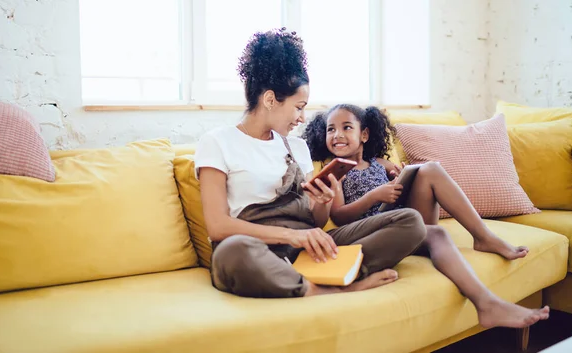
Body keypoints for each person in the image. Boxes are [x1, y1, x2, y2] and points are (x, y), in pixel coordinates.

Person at [195, 28, 427, 299]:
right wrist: (289, 236)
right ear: (270, 99)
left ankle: (322, 278)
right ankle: (331, 285)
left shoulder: (296, 146)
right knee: (232, 252)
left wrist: (324, 200)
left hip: (306, 248)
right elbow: (218, 226)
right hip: (258, 248)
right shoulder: (217, 142)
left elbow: (315, 222)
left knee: (410, 222)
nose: (302, 118)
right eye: (298, 106)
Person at [302, 104, 550, 328]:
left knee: (429, 169)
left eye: (346, 127)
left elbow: (398, 184)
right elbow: (340, 216)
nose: (337, 135)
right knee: (437, 233)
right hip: (375, 231)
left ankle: (483, 236)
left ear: (364, 134)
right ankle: (486, 303)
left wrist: (398, 178)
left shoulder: (379, 163)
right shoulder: (332, 172)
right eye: (331, 130)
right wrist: (375, 195)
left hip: (402, 220)